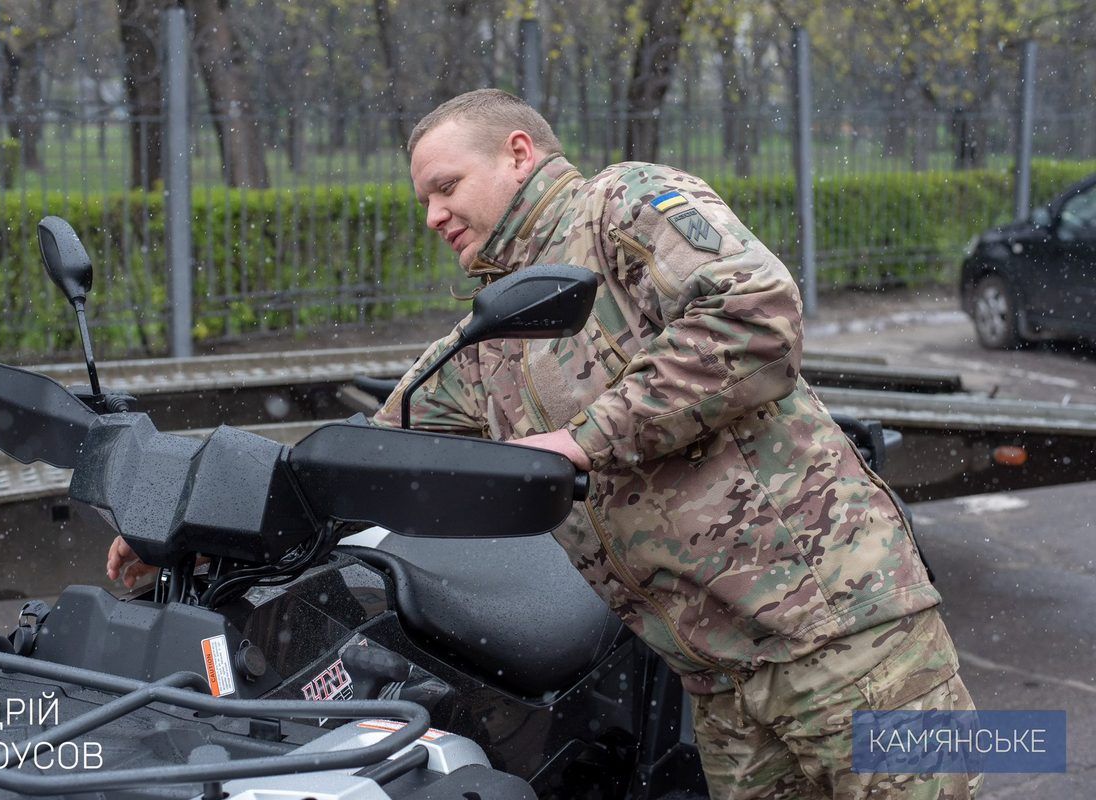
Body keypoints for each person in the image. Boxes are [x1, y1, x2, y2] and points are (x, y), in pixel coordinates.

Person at [108, 88, 981, 799]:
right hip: (717, 680)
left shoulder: (622, 206)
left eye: (447, 185)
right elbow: (360, 456)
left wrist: (585, 439)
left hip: (841, 634)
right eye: (422, 199)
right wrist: (192, 526)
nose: (432, 214)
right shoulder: (493, 330)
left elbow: (755, 316)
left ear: (519, 152)